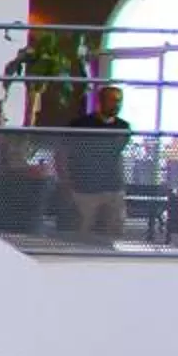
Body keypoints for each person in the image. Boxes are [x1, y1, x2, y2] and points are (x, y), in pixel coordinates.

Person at [61, 85, 135, 242]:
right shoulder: (81, 125)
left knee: (115, 228)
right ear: (101, 101)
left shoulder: (123, 127)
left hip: (113, 185)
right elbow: (64, 153)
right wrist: (66, 181)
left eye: (119, 101)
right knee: (84, 230)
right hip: (85, 186)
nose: (117, 104)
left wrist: (123, 183)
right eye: (113, 100)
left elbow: (118, 156)